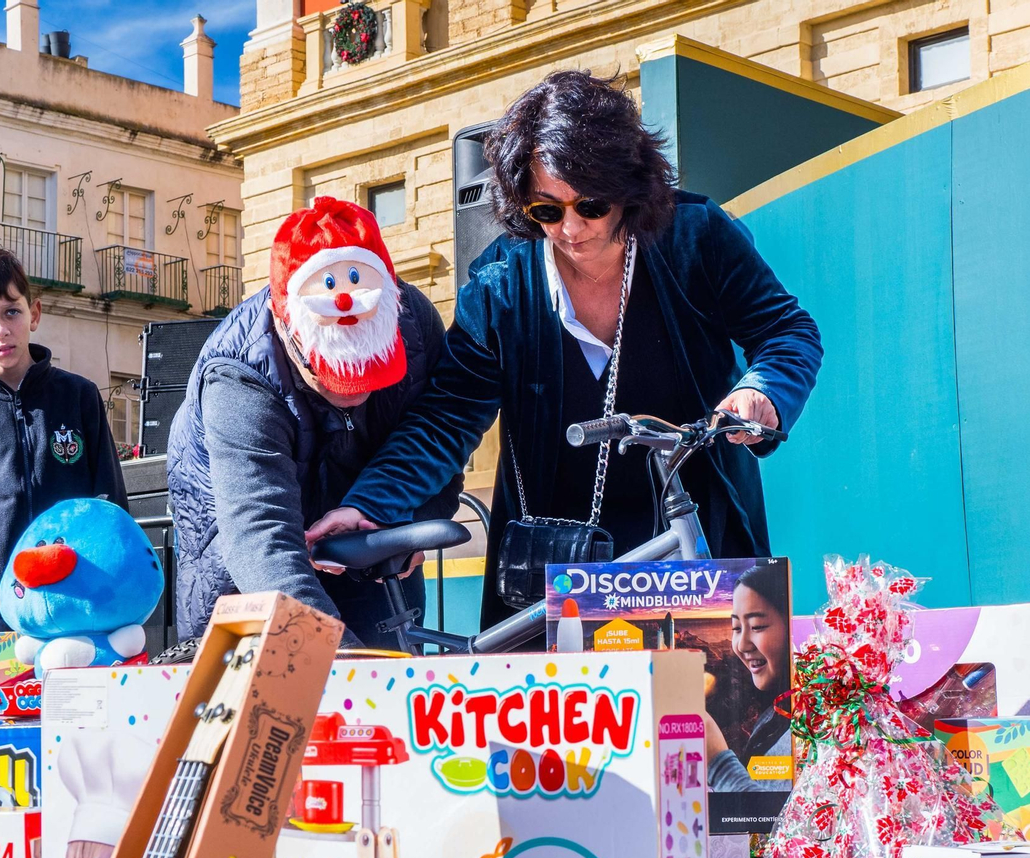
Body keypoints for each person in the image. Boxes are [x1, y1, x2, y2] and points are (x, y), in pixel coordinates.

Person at [306, 72, 822, 630]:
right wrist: (371, 503)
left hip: (695, 540)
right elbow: (446, 417)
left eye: (591, 205)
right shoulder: (500, 283)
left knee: (707, 687)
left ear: (629, 189)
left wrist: (762, 391)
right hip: (557, 563)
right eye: (547, 211)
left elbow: (787, 330)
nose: (571, 229)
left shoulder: (698, 236)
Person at [167, 197, 458, 648]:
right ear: (286, 327)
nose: (354, 393)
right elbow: (260, 536)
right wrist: (340, 661)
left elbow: (438, 437)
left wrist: (416, 520)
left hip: (372, 542)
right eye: (332, 374)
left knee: (391, 675)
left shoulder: (414, 322)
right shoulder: (238, 377)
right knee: (289, 682)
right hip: (249, 564)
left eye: (370, 372)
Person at [0, 246, 127, 633]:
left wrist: (106, 563)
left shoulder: (79, 395)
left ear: (34, 313)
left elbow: (108, 493)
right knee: (4, 678)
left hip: (79, 590)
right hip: (0, 601)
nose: (0, 330)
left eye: (11, 312)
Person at [706, 560, 792, 793]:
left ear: (790, 626)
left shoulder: (810, 731)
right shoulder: (774, 714)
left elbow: (778, 816)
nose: (742, 645)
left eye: (756, 626)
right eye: (736, 628)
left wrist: (717, 763)